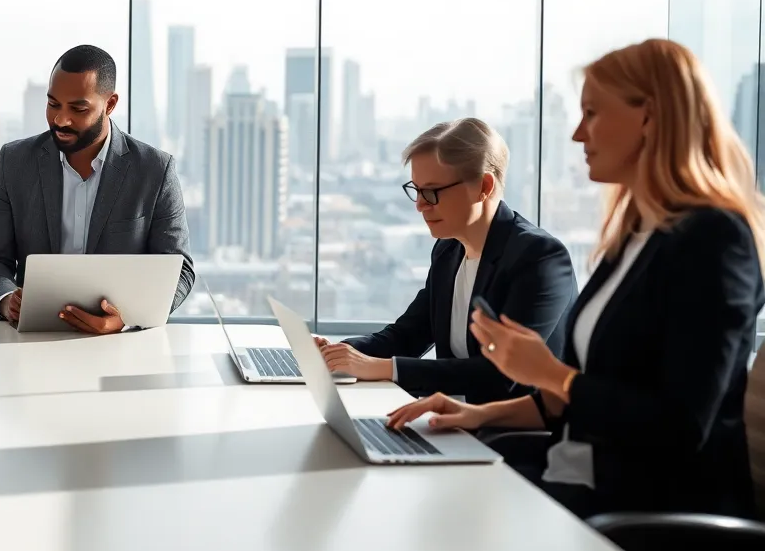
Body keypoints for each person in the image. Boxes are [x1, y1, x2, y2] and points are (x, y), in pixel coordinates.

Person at [389, 39, 765, 520]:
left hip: (647, 508)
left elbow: (680, 425)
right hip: (582, 475)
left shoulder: (714, 239)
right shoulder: (636, 235)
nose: (577, 134)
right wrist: (480, 415)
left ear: (648, 117)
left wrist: (548, 372)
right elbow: (589, 393)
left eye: (592, 113)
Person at [314, 119, 576, 403]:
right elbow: (407, 336)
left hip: (515, 436)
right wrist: (337, 352)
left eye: (432, 192)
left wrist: (383, 368)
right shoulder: (448, 250)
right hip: (454, 423)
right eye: (416, 190)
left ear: (484, 186)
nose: (420, 205)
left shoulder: (539, 258)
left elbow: (502, 375)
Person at [0, 44, 194, 334]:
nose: (60, 120)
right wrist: (6, 301)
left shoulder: (154, 170)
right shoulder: (14, 162)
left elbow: (179, 270)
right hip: (32, 344)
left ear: (110, 104)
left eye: (78, 109)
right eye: (53, 104)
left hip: (120, 349)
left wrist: (126, 319)